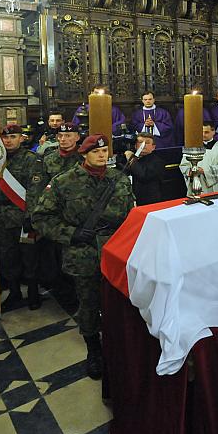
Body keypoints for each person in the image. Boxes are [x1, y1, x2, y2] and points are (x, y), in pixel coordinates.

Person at [32, 134, 134, 379]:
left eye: (104, 151)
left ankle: (118, 345)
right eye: (96, 152)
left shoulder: (119, 179)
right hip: (83, 252)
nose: (102, 155)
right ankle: (94, 350)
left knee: (119, 301)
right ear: (84, 154)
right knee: (88, 304)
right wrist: (70, 234)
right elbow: (41, 218)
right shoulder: (63, 182)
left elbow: (131, 213)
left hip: (116, 251)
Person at [28, 122, 83, 308]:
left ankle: (77, 293)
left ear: (77, 137)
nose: (64, 140)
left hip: (76, 216)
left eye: (68, 136)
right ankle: (62, 291)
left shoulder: (84, 158)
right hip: (54, 216)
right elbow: (36, 188)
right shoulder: (48, 159)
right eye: (60, 136)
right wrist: (34, 214)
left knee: (74, 257)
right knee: (53, 257)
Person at [0, 125, 41, 311]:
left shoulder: (31, 159)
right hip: (1, 218)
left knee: (30, 256)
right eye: (5, 138)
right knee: (6, 257)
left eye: (13, 137)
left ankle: (33, 292)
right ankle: (14, 292)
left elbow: (35, 191)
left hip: (23, 217)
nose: (8, 141)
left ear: (21, 138)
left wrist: (31, 216)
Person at [179, 122, 218, 193]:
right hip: (197, 183)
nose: (203, 135)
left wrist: (204, 171)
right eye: (201, 132)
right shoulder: (192, 148)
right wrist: (190, 171)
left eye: (206, 132)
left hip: (216, 186)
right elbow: (183, 165)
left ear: (213, 132)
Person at [124, 132, 165, 205]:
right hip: (129, 200)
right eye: (140, 142)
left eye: (147, 143)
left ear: (153, 147)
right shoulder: (131, 158)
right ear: (136, 146)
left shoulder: (157, 161)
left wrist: (131, 159)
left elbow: (143, 175)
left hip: (149, 202)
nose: (143, 145)